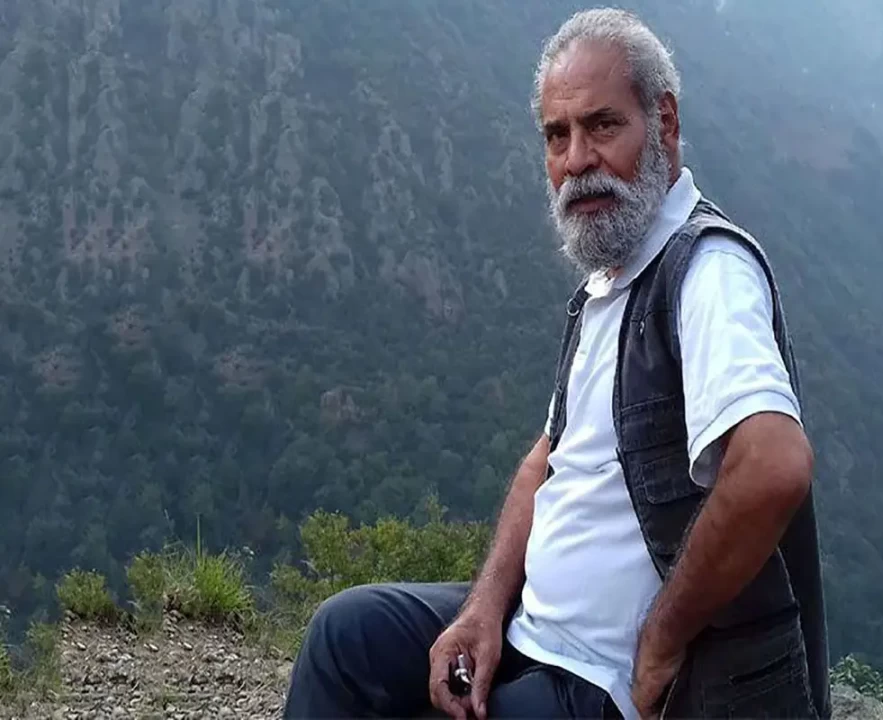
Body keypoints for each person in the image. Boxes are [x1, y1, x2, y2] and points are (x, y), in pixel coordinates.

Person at [284, 7, 830, 719]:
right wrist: (483, 609)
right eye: (556, 135)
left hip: (602, 680)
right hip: (530, 630)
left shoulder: (707, 271)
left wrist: (662, 639)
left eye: (602, 126)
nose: (576, 161)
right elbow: (545, 462)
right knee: (343, 635)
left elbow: (772, 465)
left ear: (664, 123)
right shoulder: (608, 282)